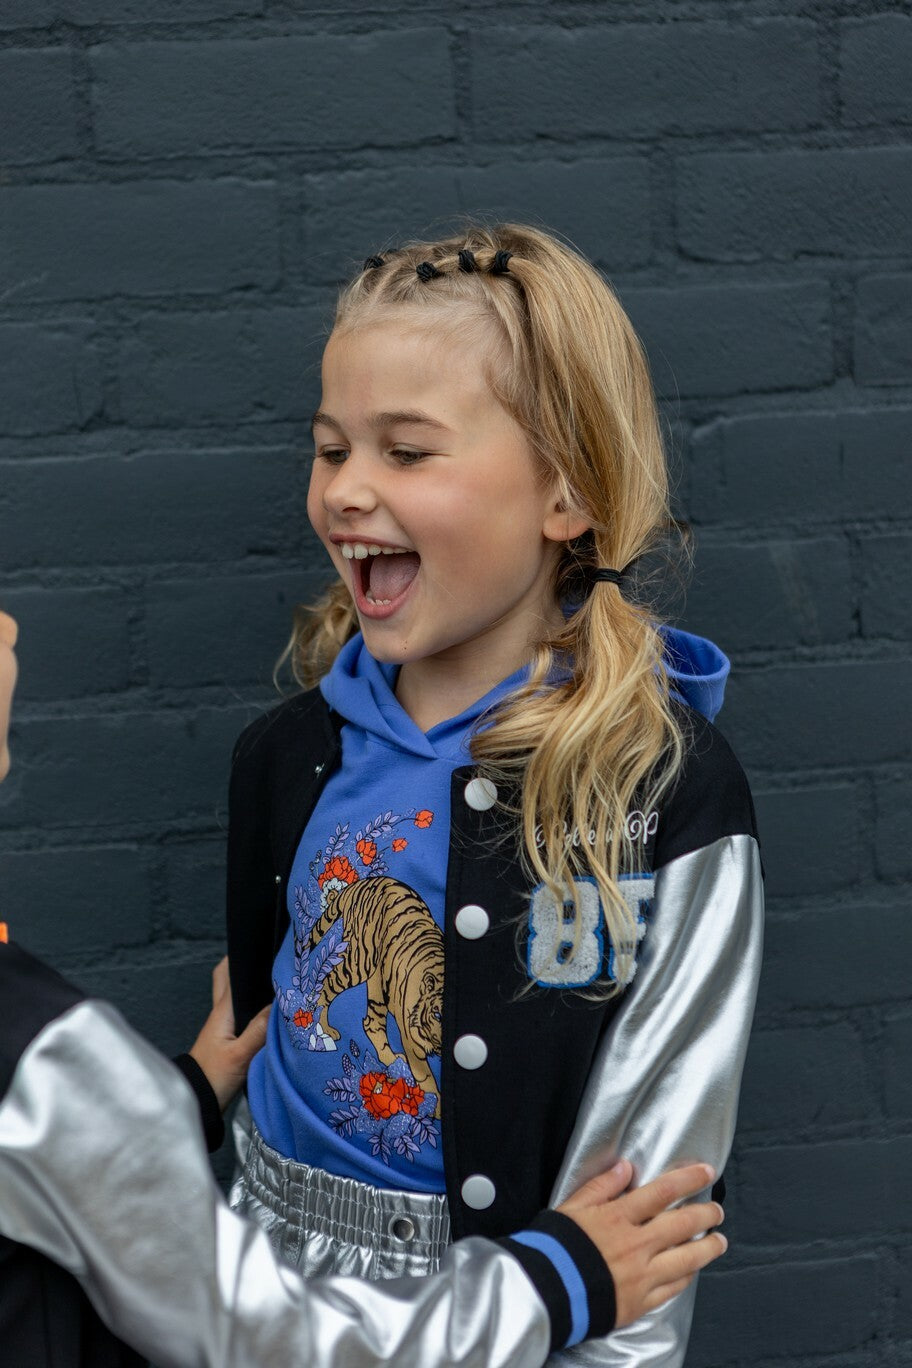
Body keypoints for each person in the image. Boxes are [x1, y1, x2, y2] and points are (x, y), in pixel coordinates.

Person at [184, 223, 764, 1365]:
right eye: (330, 449)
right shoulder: (284, 757)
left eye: (407, 453)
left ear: (568, 492)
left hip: (513, 1304)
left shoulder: (661, 793)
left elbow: (656, 1180)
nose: (346, 491)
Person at [0, 606, 728, 1368]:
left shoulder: (677, 788)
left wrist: (188, 1089)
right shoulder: (37, 1049)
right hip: (346, 1282)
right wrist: (559, 1283)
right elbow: (255, 1327)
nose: (13, 625)